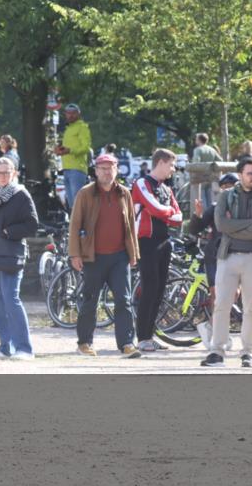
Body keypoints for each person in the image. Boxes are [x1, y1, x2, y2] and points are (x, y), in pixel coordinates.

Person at [200, 157, 252, 369]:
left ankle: (247, 353)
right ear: (240, 174)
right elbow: (221, 224)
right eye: (250, 173)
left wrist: (236, 227)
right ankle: (217, 352)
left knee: (251, 308)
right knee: (221, 305)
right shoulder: (226, 195)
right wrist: (248, 225)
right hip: (228, 257)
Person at [68, 153, 142, 359]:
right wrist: (75, 253)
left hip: (119, 257)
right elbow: (75, 225)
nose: (106, 172)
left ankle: (127, 343)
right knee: (90, 300)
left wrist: (133, 253)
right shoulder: (85, 193)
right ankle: (84, 343)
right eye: (102, 168)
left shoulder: (124, 193)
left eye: (110, 168)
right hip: (93, 256)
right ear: (96, 170)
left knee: (124, 300)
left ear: (117, 169)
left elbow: (130, 226)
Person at [0, 157, 38, 359]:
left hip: (11, 254)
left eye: (7, 172)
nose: (2, 175)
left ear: (14, 173)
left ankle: (24, 348)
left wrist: (6, 232)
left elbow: (32, 225)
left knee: (11, 298)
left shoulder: (20, 195)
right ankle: (5, 347)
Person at [131, 148, 183, 352]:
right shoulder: (142, 183)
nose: (173, 169)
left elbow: (179, 218)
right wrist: (167, 212)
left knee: (160, 290)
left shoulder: (167, 189)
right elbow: (155, 208)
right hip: (147, 242)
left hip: (165, 241)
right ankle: (142, 336)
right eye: (171, 164)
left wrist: (167, 213)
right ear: (160, 162)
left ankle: (150, 335)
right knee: (149, 288)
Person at [189, 172, 239, 302]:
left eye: (230, 186)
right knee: (215, 292)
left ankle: (230, 319)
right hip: (214, 254)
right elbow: (195, 229)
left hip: (236, 253)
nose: (226, 190)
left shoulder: (244, 207)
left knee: (235, 292)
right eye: (224, 187)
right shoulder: (215, 208)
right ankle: (214, 322)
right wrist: (197, 215)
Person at [55, 103, 92, 211]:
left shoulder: (82, 127)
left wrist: (69, 150)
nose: (70, 116)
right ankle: (75, 226)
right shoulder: (68, 129)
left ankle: (82, 227)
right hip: (66, 168)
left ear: (78, 114)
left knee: (78, 203)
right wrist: (59, 149)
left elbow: (85, 147)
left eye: (73, 113)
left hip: (77, 169)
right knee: (72, 205)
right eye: (68, 113)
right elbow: (69, 148)